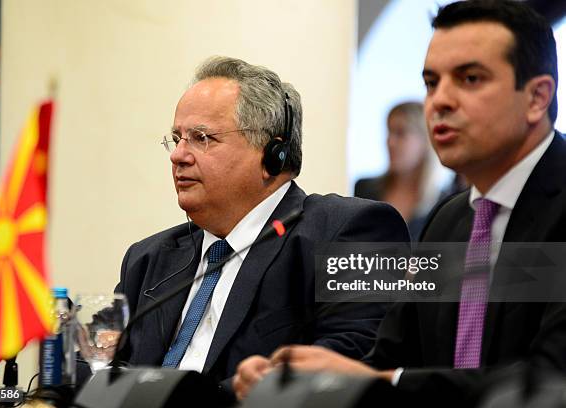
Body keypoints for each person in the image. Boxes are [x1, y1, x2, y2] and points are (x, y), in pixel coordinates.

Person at [234, 1, 565, 405]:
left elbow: (550, 381)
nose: (440, 101)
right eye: (431, 83)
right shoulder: (451, 219)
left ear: (536, 97)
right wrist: (304, 377)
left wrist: (384, 381)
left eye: (471, 78)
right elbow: (394, 356)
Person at [114, 56, 409, 390]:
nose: (178, 155)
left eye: (201, 138)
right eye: (177, 138)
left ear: (273, 155)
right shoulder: (147, 259)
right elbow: (100, 365)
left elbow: (351, 359)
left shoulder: (353, 230)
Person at [354, 102, 448, 240]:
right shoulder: (364, 189)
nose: (390, 142)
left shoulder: (444, 205)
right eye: (389, 132)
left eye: (401, 133)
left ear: (425, 141)